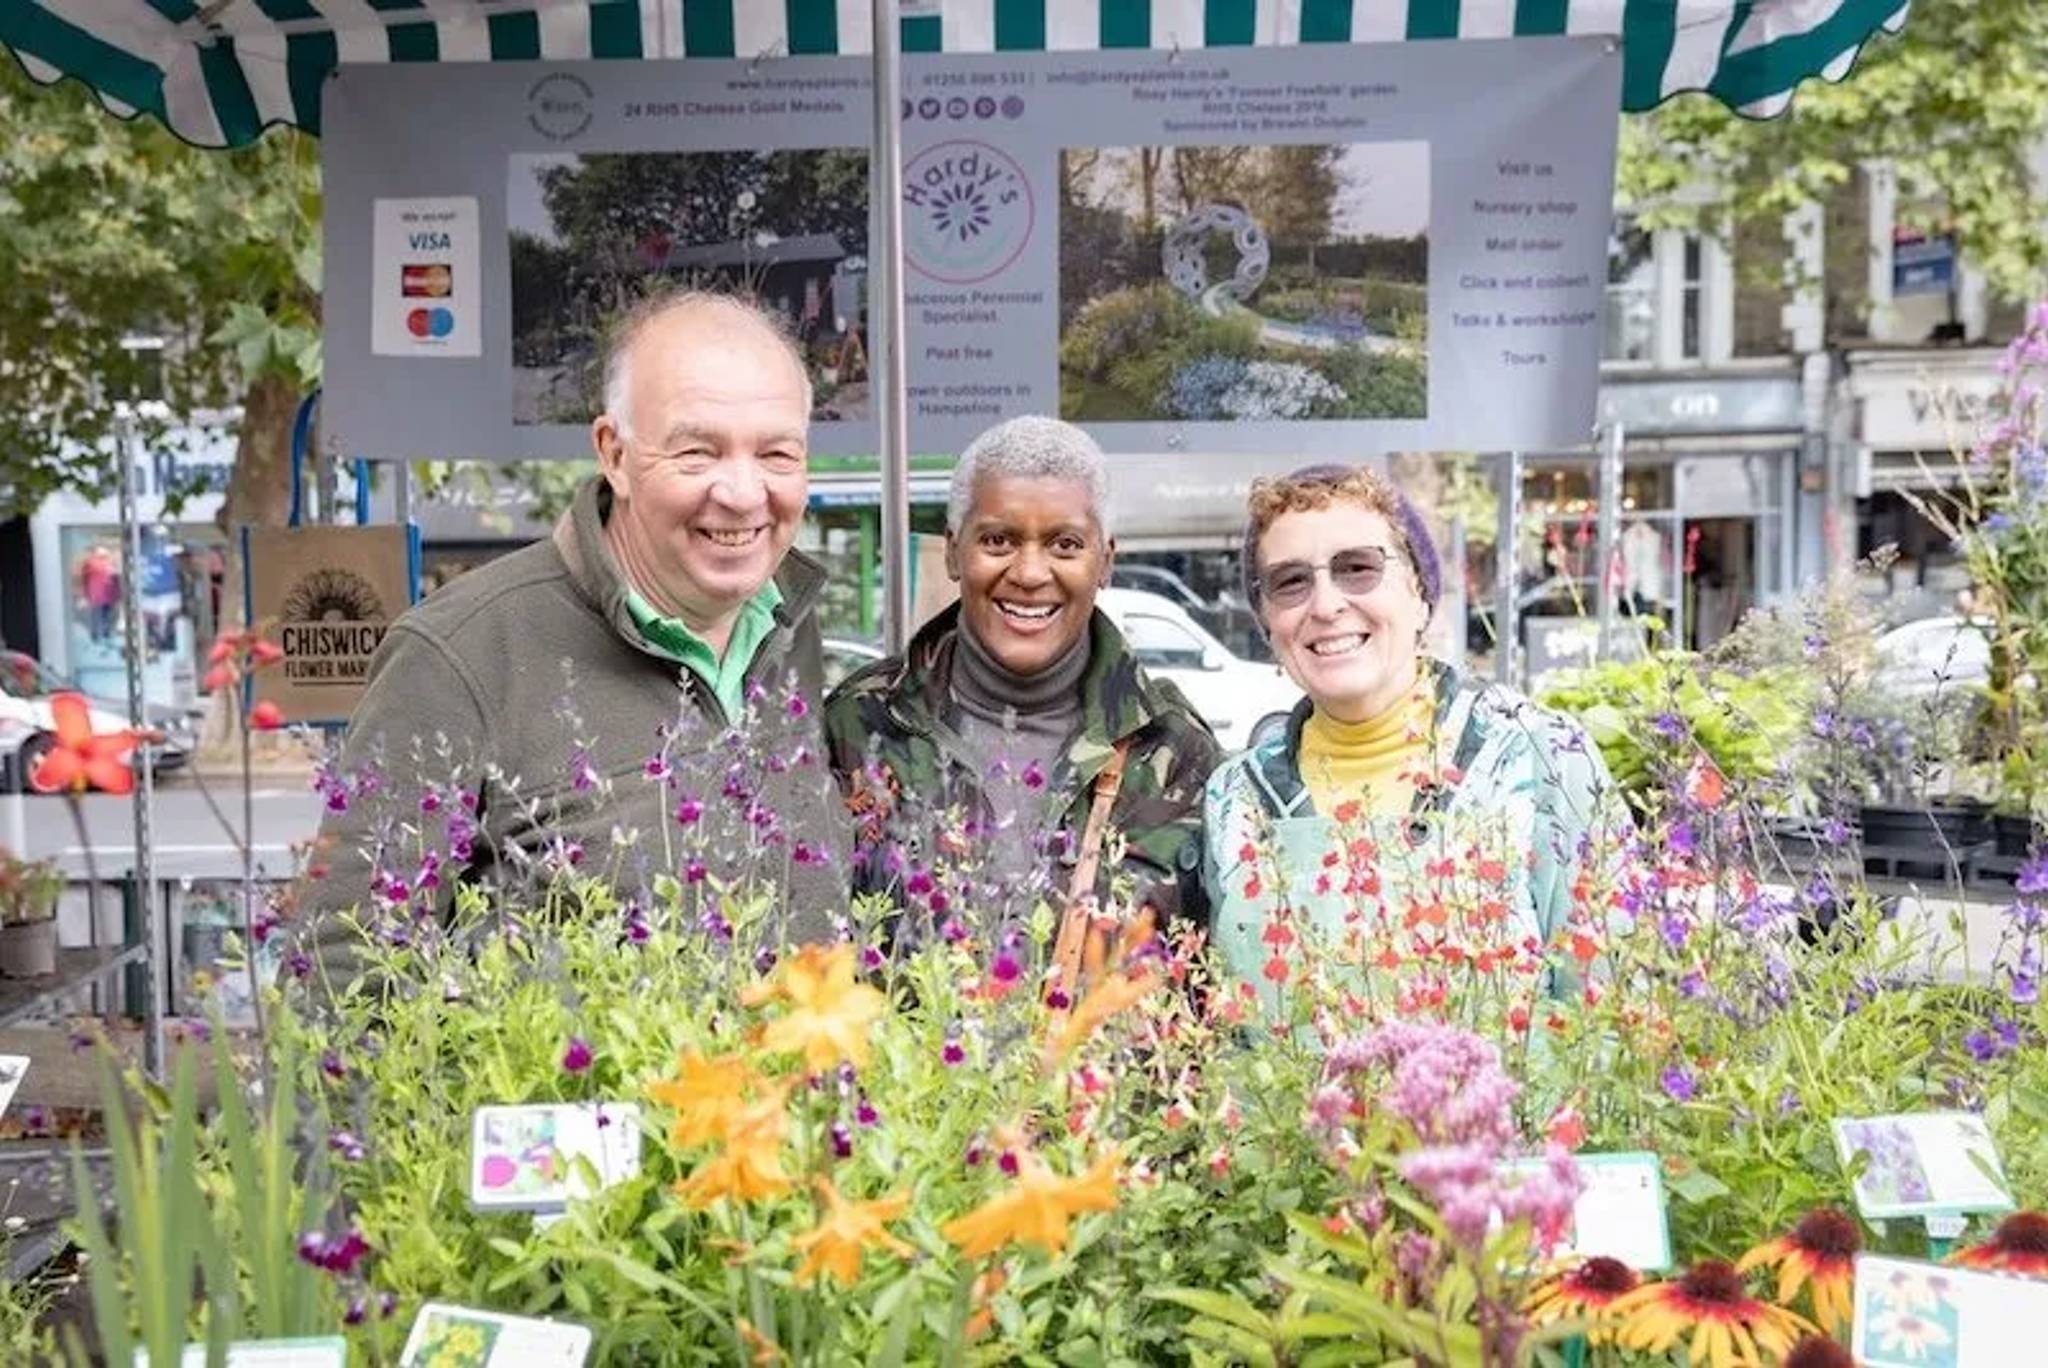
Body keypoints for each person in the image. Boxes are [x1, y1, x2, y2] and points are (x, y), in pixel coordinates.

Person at [298, 291, 844, 978]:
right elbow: (344, 972)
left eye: (776, 454)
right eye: (698, 452)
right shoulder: (461, 654)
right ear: (614, 452)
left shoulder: (788, 628)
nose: (741, 492)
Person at [1203, 463, 1627, 993]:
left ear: (1421, 593)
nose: (1327, 604)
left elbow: (1614, 1015)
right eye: (1290, 582)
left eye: (1357, 568)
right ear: (1267, 624)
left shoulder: (1539, 758)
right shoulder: (1237, 799)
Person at [825, 416, 1222, 943]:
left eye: (1065, 545)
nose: (1031, 573)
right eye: (997, 540)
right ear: (952, 550)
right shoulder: (859, 723)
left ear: (1105, 561)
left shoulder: (1176, 749)